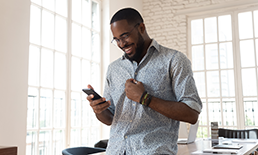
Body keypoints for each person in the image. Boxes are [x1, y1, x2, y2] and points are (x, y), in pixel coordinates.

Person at [87, 7, 202, 155]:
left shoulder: (174, 60)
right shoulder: (113, 69)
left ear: (141, 27)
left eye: (125, 36)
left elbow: (192, 114)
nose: (121, 44)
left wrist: (145, 98)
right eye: (116, 39)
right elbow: (110, 118)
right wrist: (99, 110)